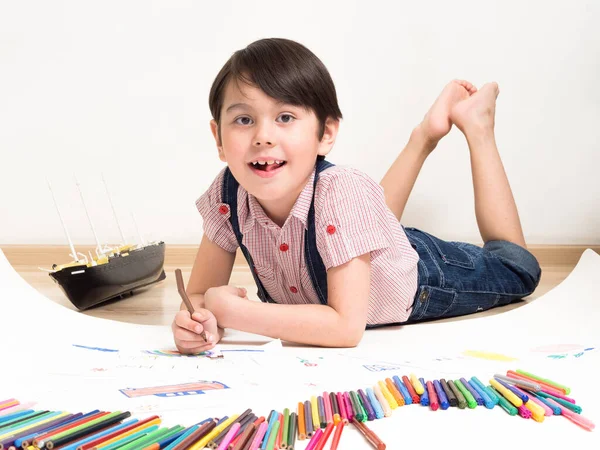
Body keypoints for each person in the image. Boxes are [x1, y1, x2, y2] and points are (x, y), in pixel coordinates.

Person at [172, 38, 541, 353]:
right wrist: (198, 324)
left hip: (423, 277)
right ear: (218, 138)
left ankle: (477, 126)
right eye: (243, 119)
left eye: (285, 117)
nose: (262, 136)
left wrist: (236, 314)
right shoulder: (227, 195)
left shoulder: (341, 191)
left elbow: (346, 328)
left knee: (516, 266)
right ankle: (425, 136)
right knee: (356, 214)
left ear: (326, 133)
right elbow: (201, 296)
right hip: (357, 245)